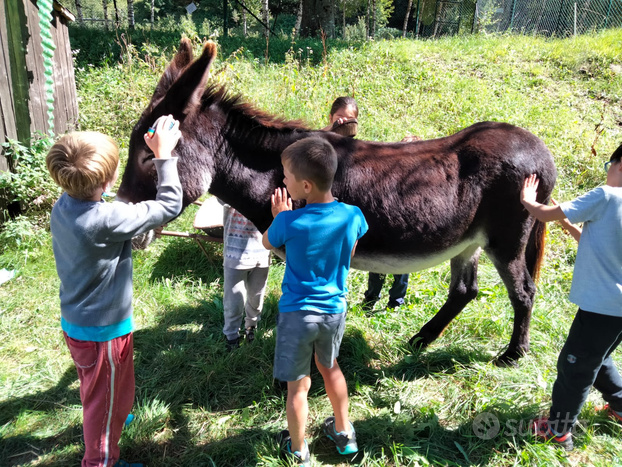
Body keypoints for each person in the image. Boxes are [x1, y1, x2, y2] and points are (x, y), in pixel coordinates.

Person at [46, 115, 183, 467]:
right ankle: (100, 460)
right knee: (100, 402)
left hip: (84, 324)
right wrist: (164, 156)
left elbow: (112, 225)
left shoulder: (63, 206)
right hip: (101, 332)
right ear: (107, 182)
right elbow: (170, 205)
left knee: (109, 389)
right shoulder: (106, 220)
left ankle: (114, 414)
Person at [262, 137, 368, 465]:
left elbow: (268, 243)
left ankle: (298, 450)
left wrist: (279, 215)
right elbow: (348, 252)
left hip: (297, 315)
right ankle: (344, 433)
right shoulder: (353, 215)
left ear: (305, 186)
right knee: (330, 368)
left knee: (298, 387)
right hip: (334, 311)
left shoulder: (288, 221)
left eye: (287, 176)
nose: (283, 180)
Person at [520, 142, 622, 451]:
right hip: (616, 310)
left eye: (609, 166)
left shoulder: (606, 197)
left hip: (602, 306)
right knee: (597, 355)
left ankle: (558, 430)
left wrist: (527, 199)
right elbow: (598, 245)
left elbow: (542, 212)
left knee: (575, 364)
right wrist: (566, 222)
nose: (607, 173)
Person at [321, 96, 410, 311]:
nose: (343, 122)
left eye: (349, 119)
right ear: (331, 116)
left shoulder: (359, 148)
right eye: (339, 118)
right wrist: (330, 129)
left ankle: (395, 300)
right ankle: (366, 297)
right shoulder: (322, 140)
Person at [220, 202, 271, 350]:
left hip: (262, 252)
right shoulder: (229, 185)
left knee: (257, 296)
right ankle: (231, 336)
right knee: (233, 300)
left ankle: (251, 327)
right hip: (235, 253)